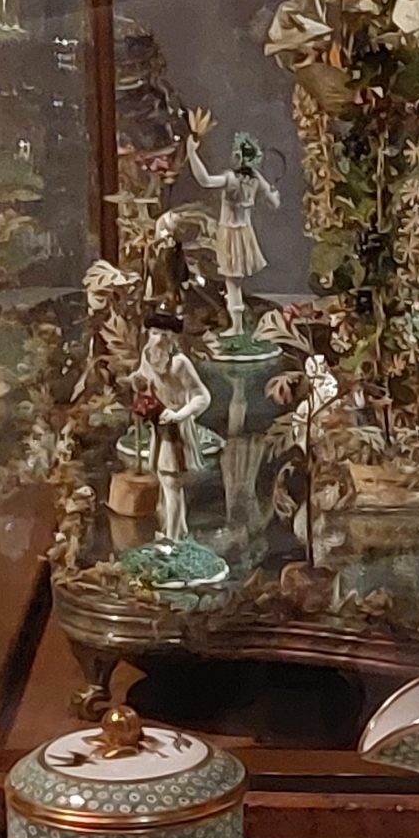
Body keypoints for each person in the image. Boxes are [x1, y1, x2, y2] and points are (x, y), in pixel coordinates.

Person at [185, 112, 281, 342]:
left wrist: (192, 153)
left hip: (231, 233)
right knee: (234, 283)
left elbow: (205, 180)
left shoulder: (231, 179)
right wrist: (273, 192)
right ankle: (237, 324)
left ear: (238, 157)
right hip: (245, 234)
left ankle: (236, 327)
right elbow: (274, 203)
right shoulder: (256, 179)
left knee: (232, 283)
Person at [130, 313, 212, 544]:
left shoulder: (179, 364)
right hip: (159, 425)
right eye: (154, 334)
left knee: (170, 482)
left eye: (164, 335)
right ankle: (179, 529)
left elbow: (202, 396)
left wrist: (180, 414)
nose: (157, 340)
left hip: (175, 429)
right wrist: (137, 382)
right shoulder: (148, 356)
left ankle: (172, 540)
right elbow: (145, 379)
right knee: (163, 478)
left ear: (173, 338)